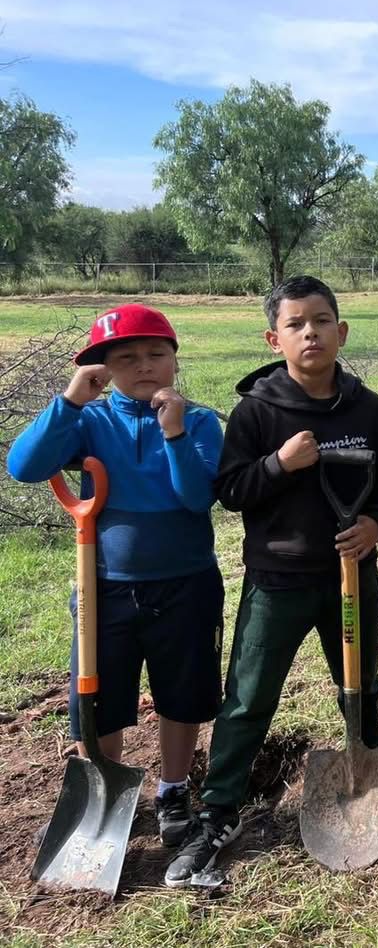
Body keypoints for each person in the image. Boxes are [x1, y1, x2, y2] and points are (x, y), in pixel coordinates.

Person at [164, 275, 378, 886]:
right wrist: (279, 464)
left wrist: (376, 525)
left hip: (353, 576)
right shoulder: (258, 412)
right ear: (274, 336)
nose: (311, 333)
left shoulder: (368, 408)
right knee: (249, 696)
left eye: (322, 321)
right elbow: (230, 491)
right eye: (297, 324)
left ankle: (371, 764)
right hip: (278, 579)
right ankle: (219, 809)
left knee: (361, 679)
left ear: (342, 331)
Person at [7, 303, 224, 847]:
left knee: (182, 693)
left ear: (175, 360)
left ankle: (173, 788)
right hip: (103, 586)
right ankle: (103, 795)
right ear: (102, 368)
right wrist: (70, 401)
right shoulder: (90, 421)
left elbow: (197, 498)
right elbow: (25, 467)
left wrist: (173, 434)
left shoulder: (198, 421)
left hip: (186, 582)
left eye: (157, 354)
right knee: (98, 694)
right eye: (126, 357)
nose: (144, 365)